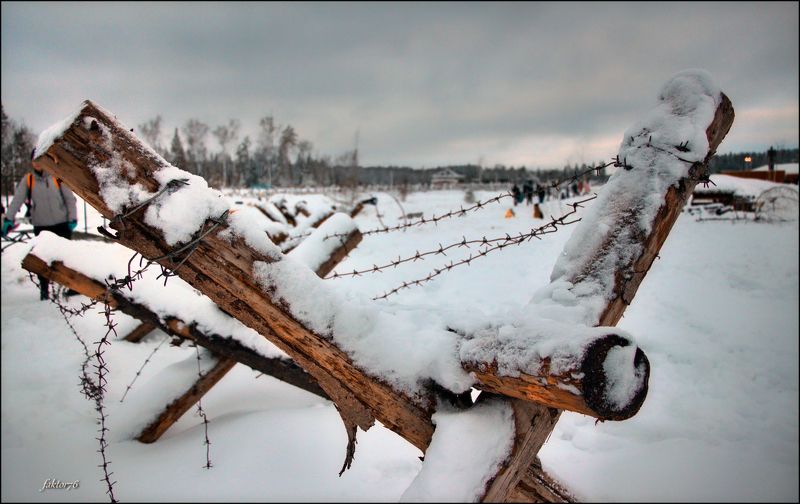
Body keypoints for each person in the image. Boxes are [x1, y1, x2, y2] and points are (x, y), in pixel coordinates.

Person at [3, 149, 78, 300]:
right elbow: (17, 200)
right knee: (42, 259)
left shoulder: (56, 176)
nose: (37, 163)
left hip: (62, 224)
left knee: (65, 257)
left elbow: (70, 198)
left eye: (39, 159)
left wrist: (72, 218)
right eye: (34, 160)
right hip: (41, 226)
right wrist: (8, 218)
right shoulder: (28, 180)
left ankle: (73, 285)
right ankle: (44, 290)